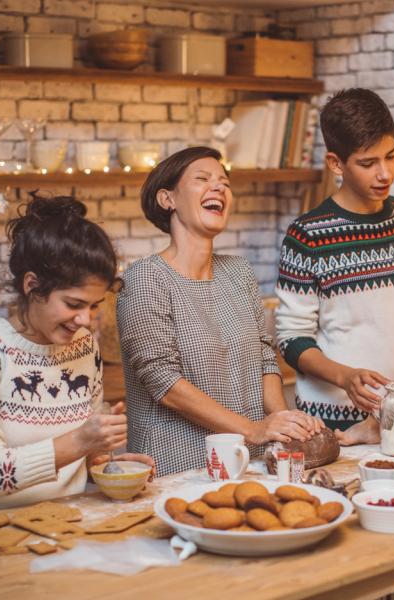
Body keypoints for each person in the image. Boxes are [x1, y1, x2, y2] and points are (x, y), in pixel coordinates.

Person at [275, 88, 394, 445]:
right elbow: (291, 341)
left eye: (391, 156)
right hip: (333, 422)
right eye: (368, 163)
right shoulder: (307, 235)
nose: (385, 173)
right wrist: (346, 377)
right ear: (336, 163)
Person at [0, 195, 154, 517]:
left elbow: (78, 457)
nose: (86, 320)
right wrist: (81, 441)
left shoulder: (83, 345)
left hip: (61, 521)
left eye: (94, 305)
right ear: (32, 285)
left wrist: (107, 466)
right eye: (73, 304)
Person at [118, 146, 322, 477]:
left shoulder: (238, 272)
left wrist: (283, 428)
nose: (219, 188)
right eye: (202, 179)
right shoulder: (144, 278)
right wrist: (252, 429)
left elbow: (264, 359)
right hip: (179, 469)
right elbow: (164, 383)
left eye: (224, 183)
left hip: (252, 462)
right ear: (167, 199)